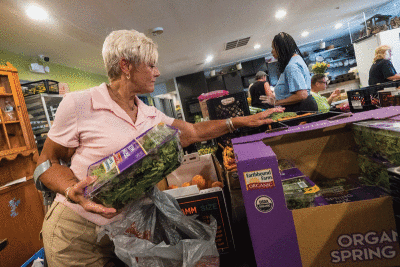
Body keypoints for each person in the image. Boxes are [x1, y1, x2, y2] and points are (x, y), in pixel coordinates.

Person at [37, 29, 284, 267]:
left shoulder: (148, 113)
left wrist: (238, 122)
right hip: (76, 233)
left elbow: (193, 132)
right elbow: (46, 162)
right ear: (126, 66)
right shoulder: (79, 104)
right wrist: (72, 191)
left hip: (125, 234)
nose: (157, 72)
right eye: (151, 65)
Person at [262, 32, 318, 112]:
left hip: (300, 109)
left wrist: (276, 102)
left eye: (273, 48)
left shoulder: (291, 66)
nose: (272, 52)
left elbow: (302, 95)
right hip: (303, 107)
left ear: (281, 48)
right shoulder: (297, 59)